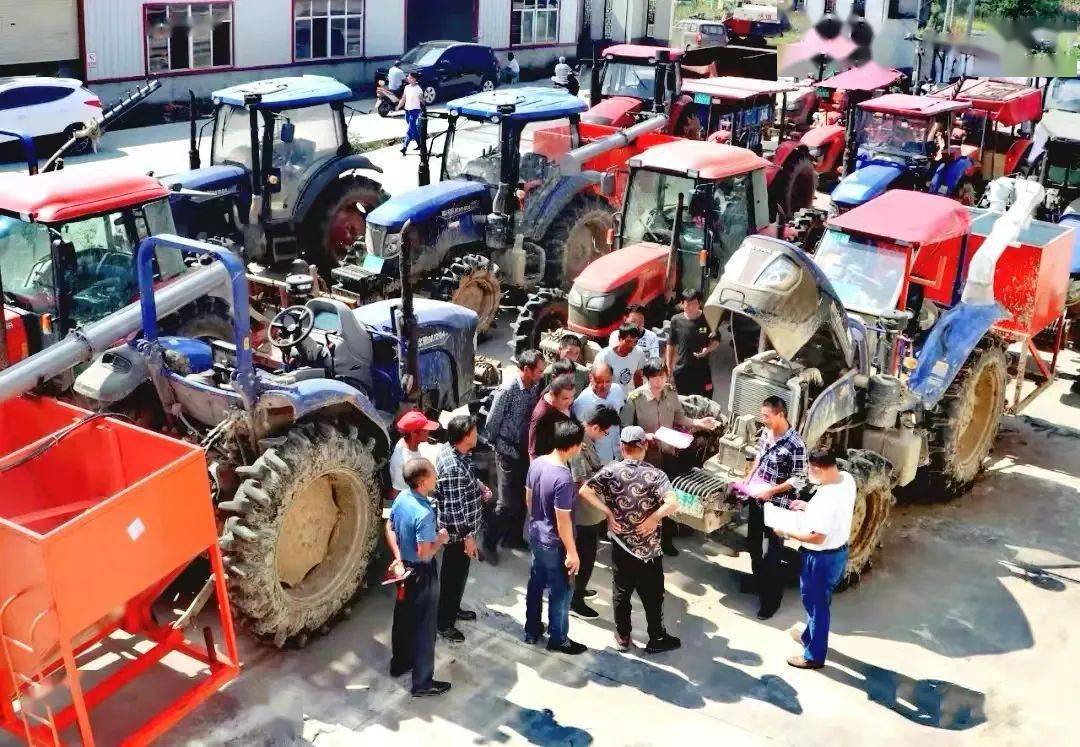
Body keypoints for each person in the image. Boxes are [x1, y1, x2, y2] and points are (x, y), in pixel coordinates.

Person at [579, 426, 682, 654]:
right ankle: (656, 637)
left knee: (621, 592)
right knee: (653, 596)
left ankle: (623, 637)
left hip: (621, 544)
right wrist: (655, 517)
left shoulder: (611, 471)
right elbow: (673, 503)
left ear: (621, 447)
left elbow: (585, 491)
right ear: (644, 446)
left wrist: (608, 512)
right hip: (648, 550)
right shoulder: (656, 475)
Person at [622, 358, 719, 556]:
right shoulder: (634, 398)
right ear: (647, 378)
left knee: (666, 500)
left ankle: (665, 540)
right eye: (654, 378)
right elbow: (625, 430)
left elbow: (679, 418)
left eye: (662, 376)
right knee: (643, 501)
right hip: (644, 458)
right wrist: (644, 436)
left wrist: (699, 422)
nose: (658, 382)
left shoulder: (671, 394)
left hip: (668, 454)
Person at [772, 450, 855, 669]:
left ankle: (813, 657)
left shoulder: (828, 498)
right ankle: (811, 636)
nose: (809, 472)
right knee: (819, 602)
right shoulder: (847, 479)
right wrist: (808, 508)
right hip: (838, 553)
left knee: (816, 605)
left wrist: (787, 534)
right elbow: (835, 514)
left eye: (810, 468)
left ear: (817, 468)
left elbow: (817, 537)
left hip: (820, 558)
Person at [387, 458, 451, 696]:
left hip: (403, 570)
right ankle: (423, 683)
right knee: (425, 627)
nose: (436, 475)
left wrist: (398, 557)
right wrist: (441, 540)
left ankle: (400, 663)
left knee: (402, 618)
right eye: (433, 473)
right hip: (421, 574)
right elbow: (425, 554)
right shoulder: (424, 514)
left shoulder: (402, 498)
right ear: (423, 481)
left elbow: (390, 527)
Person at [524, 420, 587, 654]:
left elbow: (529, 499)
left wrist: (538, 521)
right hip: (555, 543)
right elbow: (563, 520)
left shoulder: (538, 463)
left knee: (536, 583)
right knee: (561, 591)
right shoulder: (563, 478)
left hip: (536, 536)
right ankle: (559, 638)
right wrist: (572, 552)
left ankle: (532, 630)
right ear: (574, 446)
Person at [743, 396, 807, 620]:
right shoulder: (765, 433)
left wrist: (770, 491)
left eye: (767, 416)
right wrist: (748, 482)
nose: (764, 420)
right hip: (757, 498)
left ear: (781, 415)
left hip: (777, 506)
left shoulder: (796, 444)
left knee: (773, 554)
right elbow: (759, 459)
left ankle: (771, 601)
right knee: (752, 544)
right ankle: (758, 582)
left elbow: (799, 480)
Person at [434, 414, 492, 641]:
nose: (478, 435)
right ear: (465, 437)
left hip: (467, 530)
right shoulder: (451, 467)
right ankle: (444, 623)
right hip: (459, 535)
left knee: (460, 576)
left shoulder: (459, 453)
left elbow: (468, 477)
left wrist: (480, 487)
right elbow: (453, 508)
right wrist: (468, 537)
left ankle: (454, 609)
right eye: (475, 432)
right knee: (452, 578)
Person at [482, 350, 545, 560]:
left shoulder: (535, 386)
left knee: (523, 498)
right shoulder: (508, 390)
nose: (541, 375)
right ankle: (489, 543)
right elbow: (492, 422)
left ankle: (513, 538)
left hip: (524, 450)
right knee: (507, 503)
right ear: (526, 369)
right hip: (507, 451)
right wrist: (497, 446)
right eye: (538, 371)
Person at [568, 404, 622, 618]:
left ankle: (577, 590)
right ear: (596, 427)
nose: (605, 436)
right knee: (586, 556)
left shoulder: (584, 439)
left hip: (589, 510)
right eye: (605, 432)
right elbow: (581, 483)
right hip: (583, 512)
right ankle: (575, 600)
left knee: (587, 553)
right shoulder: (579, 447)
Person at [666, 289, 720, 399]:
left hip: (702, 370)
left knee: (706, 399)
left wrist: (707, 349)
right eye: (687, 304)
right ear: (682, 304)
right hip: (682, 370)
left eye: (694, 304)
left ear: (700, 303)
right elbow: (670, 344)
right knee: (683, 401)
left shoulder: (708, 319)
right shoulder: (676, 320)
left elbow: (716, 341)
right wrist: (668, 367)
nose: (691, 307)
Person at [572, 360, 626, 465]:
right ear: (591, 378)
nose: (604, 385)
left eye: (608, 381)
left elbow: (623, 410)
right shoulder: (581, 403)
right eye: (600, 381)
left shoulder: (617, 391)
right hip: (598, 460)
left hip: (619, 455)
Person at [388, 410, 440, 498]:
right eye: (425, 430)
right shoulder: (407, 461)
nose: (428, 432)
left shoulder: (405, 442)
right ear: (414, 433)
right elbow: (399, 492)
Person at [528, 374, 578, 459]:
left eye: (572, 397)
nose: (570, 402)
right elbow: (533, 453)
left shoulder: (563, 402)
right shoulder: (541, 416)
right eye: (565, 398)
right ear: (552, 395)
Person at [600, 323, 646, 391]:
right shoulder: (605, 356)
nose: (632, 346)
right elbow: (599, 383)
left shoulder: (639, 353)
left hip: (628, 397)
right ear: (620, 338)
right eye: (628, 341)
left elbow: (638, 377)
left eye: (635, 342)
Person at [397, 71, 424, 155]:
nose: (407, 78)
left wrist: (423, 107)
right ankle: (420, 144)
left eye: (409, 77)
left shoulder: (418, 89)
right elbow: (403, 98)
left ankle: (404, 147)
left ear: (414, 79)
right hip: (407, 111)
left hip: (415, 111)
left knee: (410, 129)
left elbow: (422, 100)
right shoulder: (407, 87)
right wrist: (398, 106)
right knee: (413, 129)